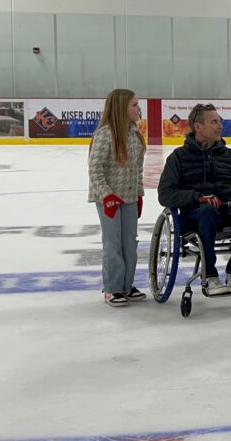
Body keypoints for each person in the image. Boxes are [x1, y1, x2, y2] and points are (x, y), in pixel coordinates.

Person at [157, 103, 231, 294]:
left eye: (219, 121)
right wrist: (197, 197)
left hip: (227, 211)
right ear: (198, 127)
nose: (220, 126)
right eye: (214, 122)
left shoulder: (230, 157)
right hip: (195, 216)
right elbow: (165, 194)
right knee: (207, 212)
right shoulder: (178, 158)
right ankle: (210, 275)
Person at [88, 88, 147, 307]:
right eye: (134, 104)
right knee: (113, 244)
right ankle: (112, 288)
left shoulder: (135, 135)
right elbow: (95, 169)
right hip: (108, 200)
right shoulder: (105, 134)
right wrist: (107, 195)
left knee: (129, 244)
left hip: (129, 198)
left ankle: (126, 286)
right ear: (121, 108)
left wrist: (139, 194)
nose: (138, 108)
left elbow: (138, 170)